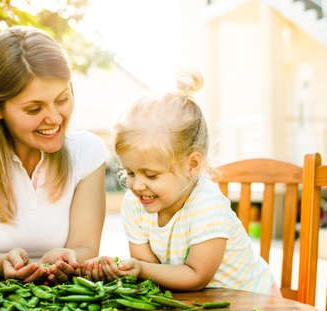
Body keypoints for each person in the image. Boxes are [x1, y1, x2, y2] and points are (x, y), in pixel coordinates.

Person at [0, 26, 108, 283]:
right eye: (34, 108)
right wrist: (0, 263)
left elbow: (85, 248)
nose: (55, 118)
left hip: (64, 308)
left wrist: (66, 259)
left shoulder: (87, 152)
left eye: (62, 99)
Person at [82, 70, 280, 296]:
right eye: (130, 172)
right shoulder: (135, 204)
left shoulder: (207, 205)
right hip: (199, 305)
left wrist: (140, 269)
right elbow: (151, 273)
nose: (137, 185)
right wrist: (125, 269)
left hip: (252, 303)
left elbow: (196, 276)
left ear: (192, 165)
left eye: (151, 175)